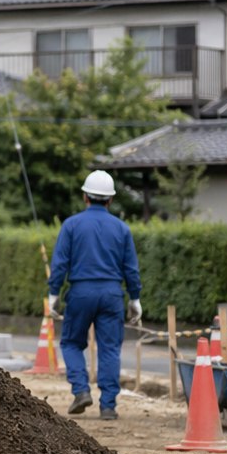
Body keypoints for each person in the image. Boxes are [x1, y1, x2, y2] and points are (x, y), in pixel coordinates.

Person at [47, 169, 141, 420]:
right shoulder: (122, 229)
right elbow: (130, 268)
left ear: (85, 197)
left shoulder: (71, 225)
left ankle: (80, 391)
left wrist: (53, 293)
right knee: (109, 349)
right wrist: (135, 298)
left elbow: (60, 265)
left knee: (71, 342)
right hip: (112, 294)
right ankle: (108, 405)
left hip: (80, 292)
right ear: (110, 200)